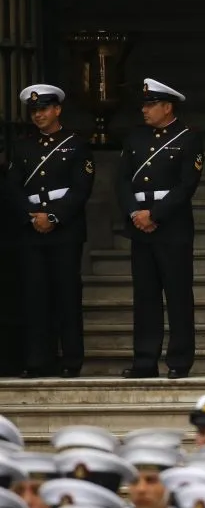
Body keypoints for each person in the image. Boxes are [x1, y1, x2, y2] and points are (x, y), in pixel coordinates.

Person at [117, 78, 203, 379]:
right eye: (144, 104)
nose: (145, 110)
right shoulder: (135, 138)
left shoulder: (188, 137)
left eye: (151, 104)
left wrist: (155, 215)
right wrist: (134, 213)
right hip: (139, 225)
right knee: (145, 296)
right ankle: (144, 360)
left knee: (177, 294)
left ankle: (179, 361)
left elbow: (186, 186)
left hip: (172, 226)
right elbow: (122, 180)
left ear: (168, 107)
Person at [6, 84, 93, 378]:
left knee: (66, 295)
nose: (38, 115)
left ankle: (71, 359)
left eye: (43, 109)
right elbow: (13, 187)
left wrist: (53, 216)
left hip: (64, 229)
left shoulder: (76, 144)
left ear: (57, 110)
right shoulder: (23, 146)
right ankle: (37, 359)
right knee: (34, 296)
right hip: (31, 229)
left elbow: (81, 189)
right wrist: (31, 217)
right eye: (34, 111)